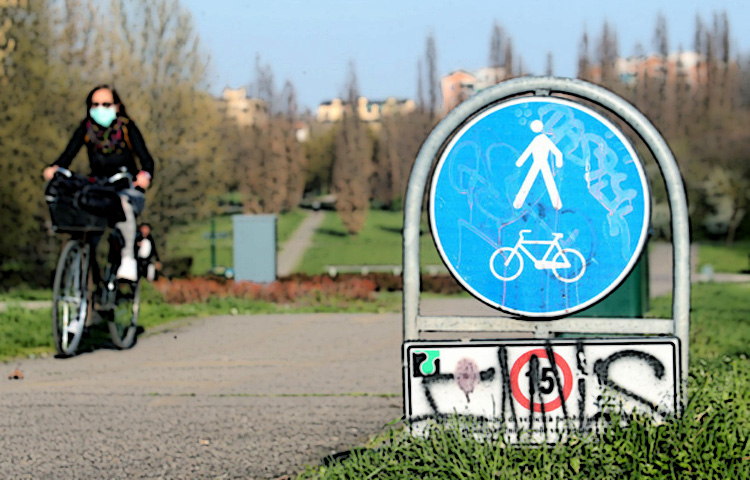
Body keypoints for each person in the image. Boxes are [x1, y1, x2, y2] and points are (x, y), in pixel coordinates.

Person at [43, 85, 155, 281]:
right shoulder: (86, 128)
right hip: (99, 187)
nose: (100, 109)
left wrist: (144, 176)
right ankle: (88, 279)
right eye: (95, 105)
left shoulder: (127, 128)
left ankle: (127, 258)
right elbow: (67, 156)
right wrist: (55, 169)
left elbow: (146, 160)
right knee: (81, 212)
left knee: (123, 205)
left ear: (117, 106)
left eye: (106, 104)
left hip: (125, 185)